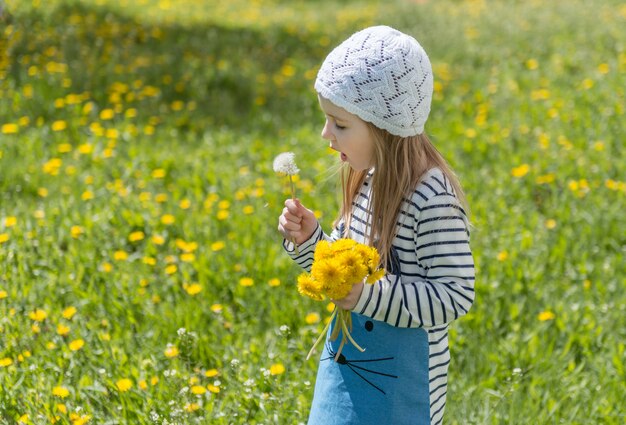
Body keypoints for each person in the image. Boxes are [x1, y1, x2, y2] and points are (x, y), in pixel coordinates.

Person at [277, 25, 475, 425]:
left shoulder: (430, 196)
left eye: (340, 124)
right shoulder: (367, 177)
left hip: (401, 390)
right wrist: (310, 242)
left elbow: (454, 295)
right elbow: (345, 273)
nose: (326, 134)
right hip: (345, 369)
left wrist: (368, 295)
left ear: (385, 127)